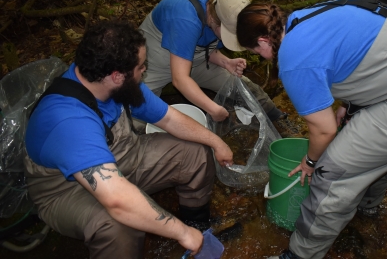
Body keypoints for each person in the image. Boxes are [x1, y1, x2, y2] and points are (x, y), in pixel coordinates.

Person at [236, 0, 387, 258]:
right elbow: (354, 51)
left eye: (257, 51)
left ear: (265, 41)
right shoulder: (305, 15)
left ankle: (301, 254)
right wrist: (350, 102)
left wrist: (311, 163)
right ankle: (367, 207)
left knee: (332, 172)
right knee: (371, 153)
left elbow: (324, 131)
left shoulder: (293, 59)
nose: (262, 58)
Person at [23, 21, 234, 258]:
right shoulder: (68, 121)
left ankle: (198, 227)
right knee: (119, 223)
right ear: (116, 76)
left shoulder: (112, 81)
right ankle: (182, 235)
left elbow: (169, 119)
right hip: (67, 189)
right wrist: (180, 232)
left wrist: (216, 142)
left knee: (195, 154)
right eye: (141, 66)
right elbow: (116, 201)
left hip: (123, 156)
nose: (144, 70)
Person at [139, 0, 287, 123]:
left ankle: (277, 120)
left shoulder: (228, 13)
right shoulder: (186, 19)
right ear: (214, 21)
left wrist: (226, 62)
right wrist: (213, 109)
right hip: (153, 64)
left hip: (195, 62)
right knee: (139, 110)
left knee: (244, 88)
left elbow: (202, 48)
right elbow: (180, 80)